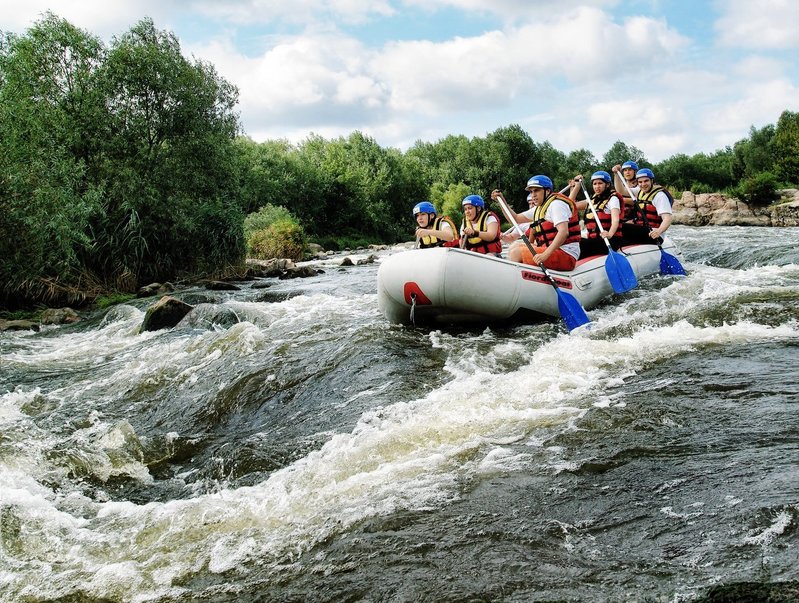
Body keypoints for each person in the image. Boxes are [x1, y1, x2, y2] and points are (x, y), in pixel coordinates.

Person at [494, 175, 581, 270]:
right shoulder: (539, 208)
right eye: (531, 191)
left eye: (536, 190)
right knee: (514, 246)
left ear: (547, 191)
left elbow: (563, 232)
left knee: (516, 252)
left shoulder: (557, 205)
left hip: (566, 254)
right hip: (553, 250)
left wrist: (545, 255)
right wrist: (501, 201)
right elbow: (515, 218)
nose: (533, 195)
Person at [572, 171, 624, 258]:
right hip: (594, 239)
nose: (597, 186)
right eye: (595, 184)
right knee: (573, 243)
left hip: (610, 239)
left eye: (600, 183)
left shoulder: (613, 199)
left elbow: (616, 220)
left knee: (581, 245)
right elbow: (570, 204)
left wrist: (610, 234)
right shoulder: (592, 200)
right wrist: (577, 186)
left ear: (607, 185)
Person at [620, 168, 675, 244]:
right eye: (640, 182)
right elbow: (621, 191)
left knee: (621, 227)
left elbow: (667, 218)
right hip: (641, 229)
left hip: (653, 234)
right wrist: (616, 174)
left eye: (646, 181)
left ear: (652, 181)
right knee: (618, 224)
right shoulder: (640, 191)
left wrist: (658, 231)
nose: (643, 184)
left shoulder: (660, 196)